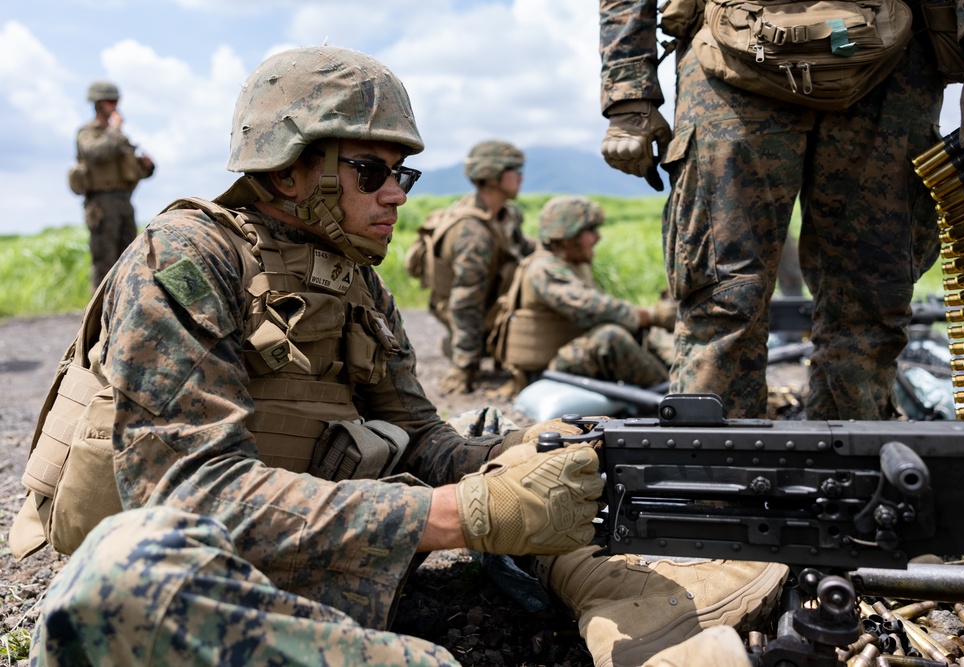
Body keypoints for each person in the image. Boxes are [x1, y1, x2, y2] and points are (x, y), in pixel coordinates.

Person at [27, 47, 786, 667]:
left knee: (523, 460)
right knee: (128, 573)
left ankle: (646, 610)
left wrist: (523, 455)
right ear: (290, 168)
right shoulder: (187, 258)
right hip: (195, 588)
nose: (395, 195)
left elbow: (425, 443)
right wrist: (466, 512)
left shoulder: (356, 281)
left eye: (404, 174)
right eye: (371, 171)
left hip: (318, 570)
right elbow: (192, 495)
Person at [598, 0, 964, 420]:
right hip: (728, 50)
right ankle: (715, 474)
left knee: (873, 298)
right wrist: (627, 87)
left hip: (893, 53)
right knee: (720, 296)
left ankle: (854, 468)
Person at [492, 195, 678, 394]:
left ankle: (674, 378)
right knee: (610, 337)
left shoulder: (571, 266)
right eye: (590, 231)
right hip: (543, 375)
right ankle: (669, 390)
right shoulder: (544, 269)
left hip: (560, 365)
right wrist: (650, 315)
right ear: (567, 237)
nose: (598, 237)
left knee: (640, 332)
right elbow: (591, 308)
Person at [427, 140, 536, 395]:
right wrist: (465, 366)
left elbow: (522, 249)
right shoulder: (473, 233)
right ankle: (477, 346)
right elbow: (466, 300)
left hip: (486, 302)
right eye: (515, 171)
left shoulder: (503, 215)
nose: (521, 178)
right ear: (492, 177)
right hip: (465, 309)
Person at [74, 80, 155, 291]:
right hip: (101, 203)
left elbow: (131, 168)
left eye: (116, 101)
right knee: (104, 262)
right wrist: (115, 129)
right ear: (98, 103)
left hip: (123, 201)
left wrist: (147, 166)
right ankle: (98, 318)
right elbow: (95, 153)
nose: (114, 105)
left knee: (130, 258)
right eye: (109, 101)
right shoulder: (88, 132)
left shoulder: (117, 135)